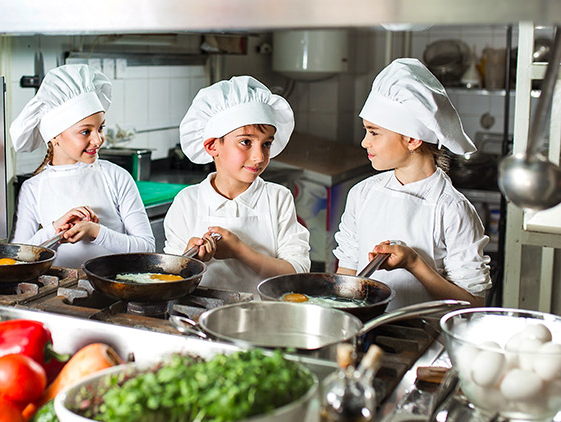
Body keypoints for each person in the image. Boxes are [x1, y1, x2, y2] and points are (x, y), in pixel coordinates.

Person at [334, 58, 491, 310]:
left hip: (426, 340)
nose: (364, 142)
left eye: (374, 132)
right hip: (365, 332)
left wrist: (414, 263)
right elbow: (347, 276)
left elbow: (472, 303)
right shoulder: (362, 194)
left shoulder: (452, 209)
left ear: (412, 139)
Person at [163, 76, 310, 293]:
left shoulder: (278, 198)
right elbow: (169, 279)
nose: (259, 156)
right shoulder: (188, 201)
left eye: (267, 144)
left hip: (266, 317)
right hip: (199, 317)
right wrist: (190, 257)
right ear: (213, 146)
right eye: (245, 142)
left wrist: (239, 250)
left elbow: (297, 273)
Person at [9, 64, 155, 268]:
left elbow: (147, 248)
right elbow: (17, 256)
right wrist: (54, 228)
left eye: (100, 128)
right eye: (86, 131)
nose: (98, 139)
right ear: (55, 136)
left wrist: (96, 232)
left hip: (118, 287)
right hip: (58, 294)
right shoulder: (34, 188)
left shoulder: (116, 177)